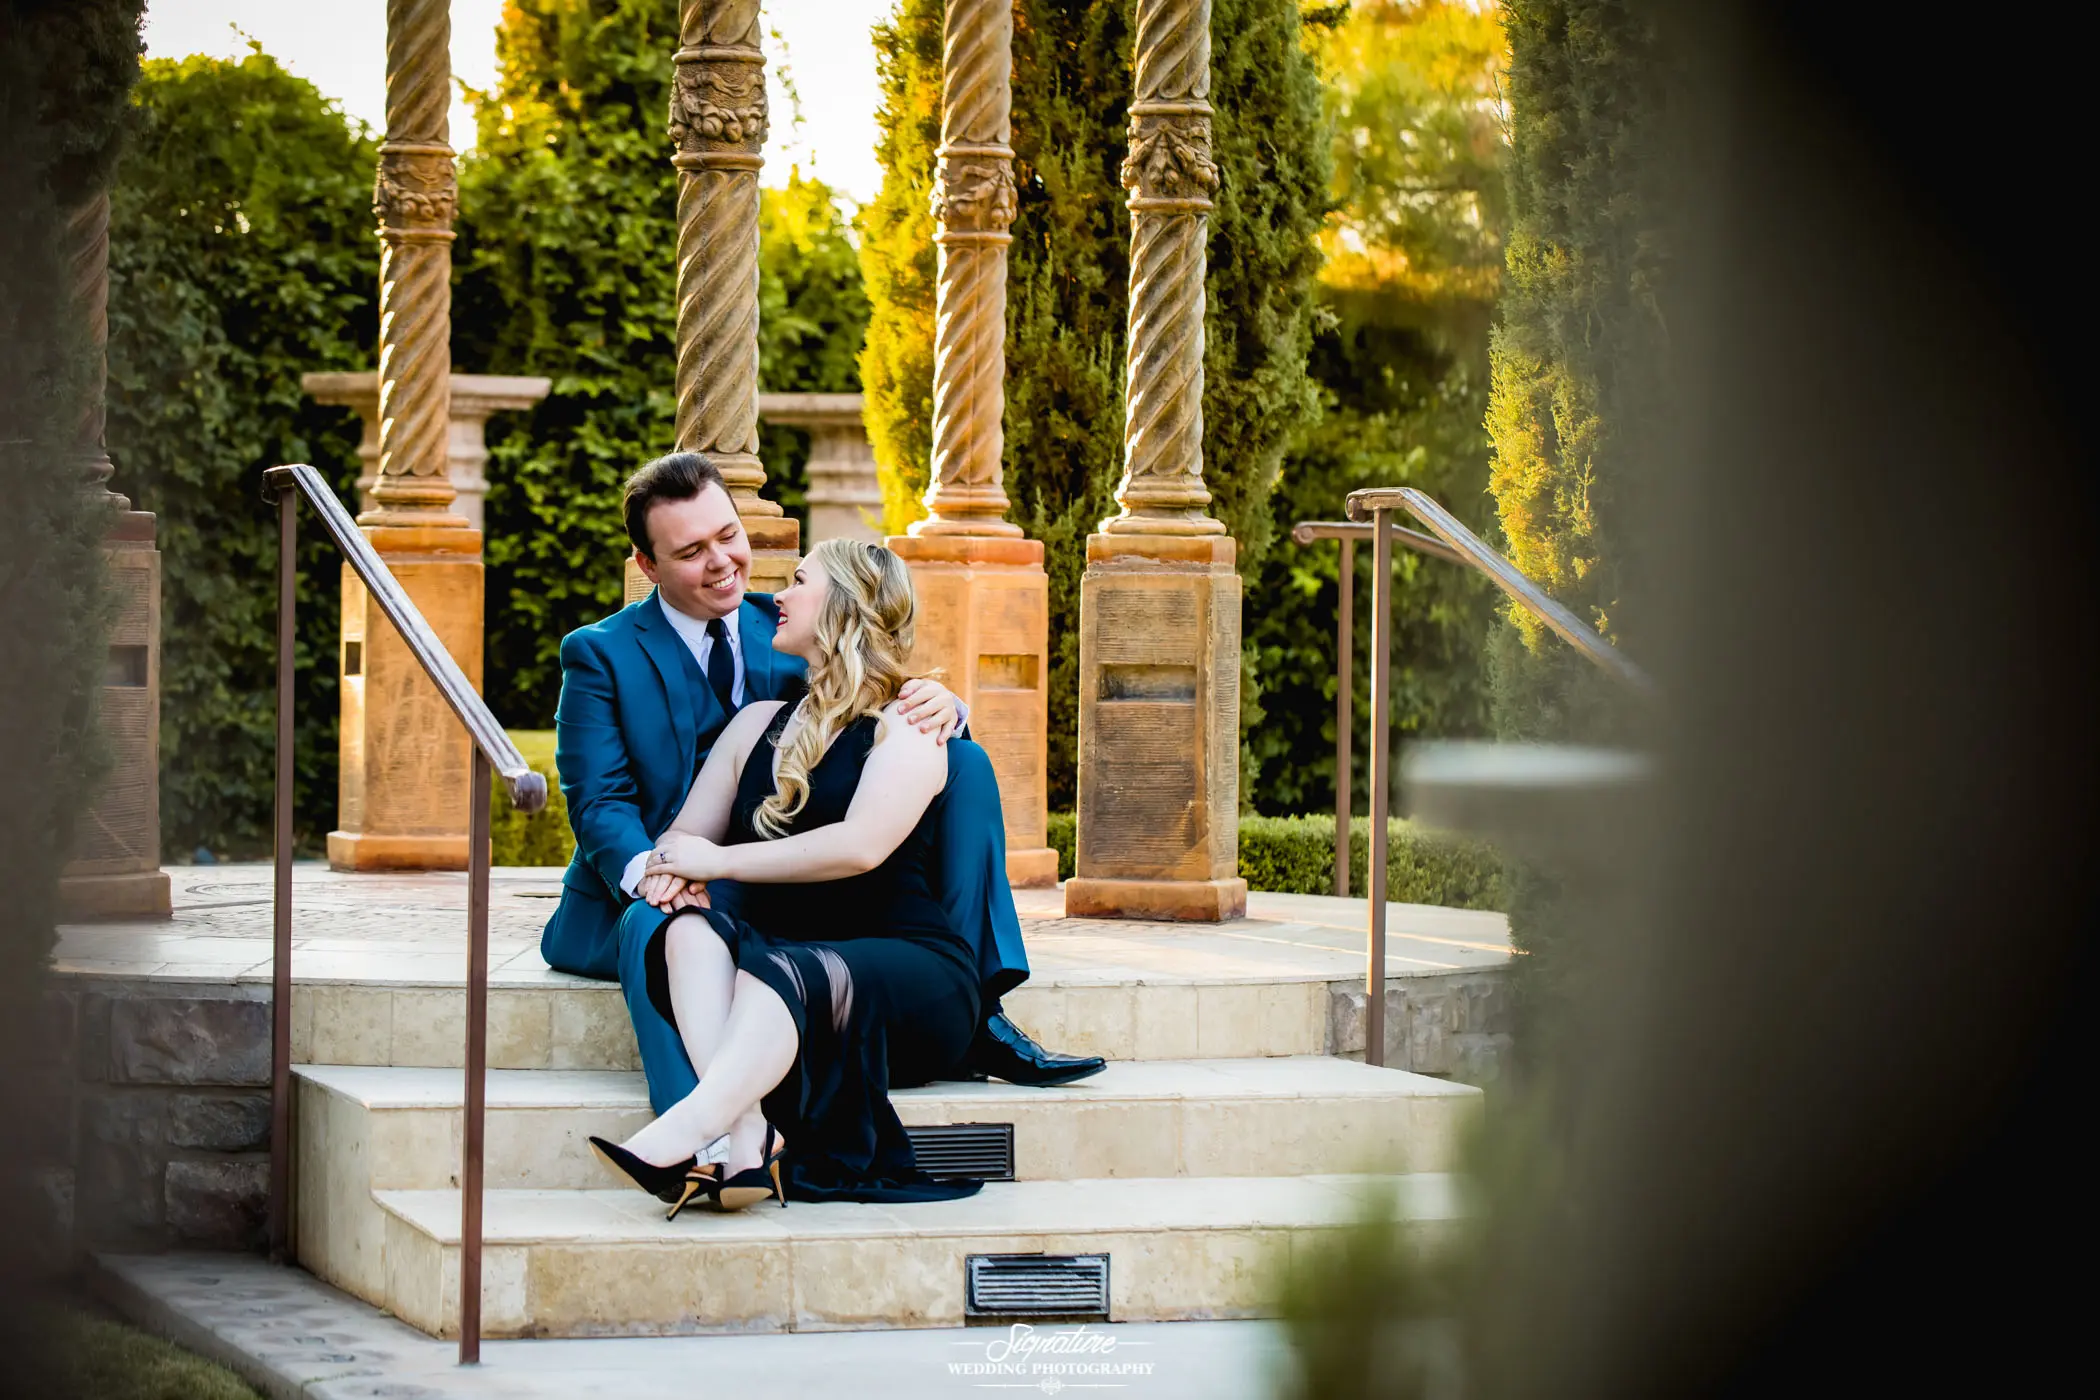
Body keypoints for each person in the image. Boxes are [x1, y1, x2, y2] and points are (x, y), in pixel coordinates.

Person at [539, 451, 1103, 1088]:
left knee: (963, 761)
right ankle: (702, 1133)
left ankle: (977, 1003)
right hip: (663, 875)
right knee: (662, 926)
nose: (723, 562)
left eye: (729, 535)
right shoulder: (599, 653)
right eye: (693, 551)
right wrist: (657, 874)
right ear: (649, 565)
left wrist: (943, 706)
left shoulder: (783, 622)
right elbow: (599, 803)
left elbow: (863, 705)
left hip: (778, 876)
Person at [589, 538, 987, 1212]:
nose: (777, 596)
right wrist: (672, 873)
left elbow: (859, 847)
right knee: (689, 932)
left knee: (777, 969)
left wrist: (714, 863)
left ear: (844, 607)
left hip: (907, 972)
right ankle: (746, 1134)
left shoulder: (909, 724)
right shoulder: (755, 726)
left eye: (800, 582)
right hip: (786, 967)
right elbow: (682, 838)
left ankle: (690, 1126)